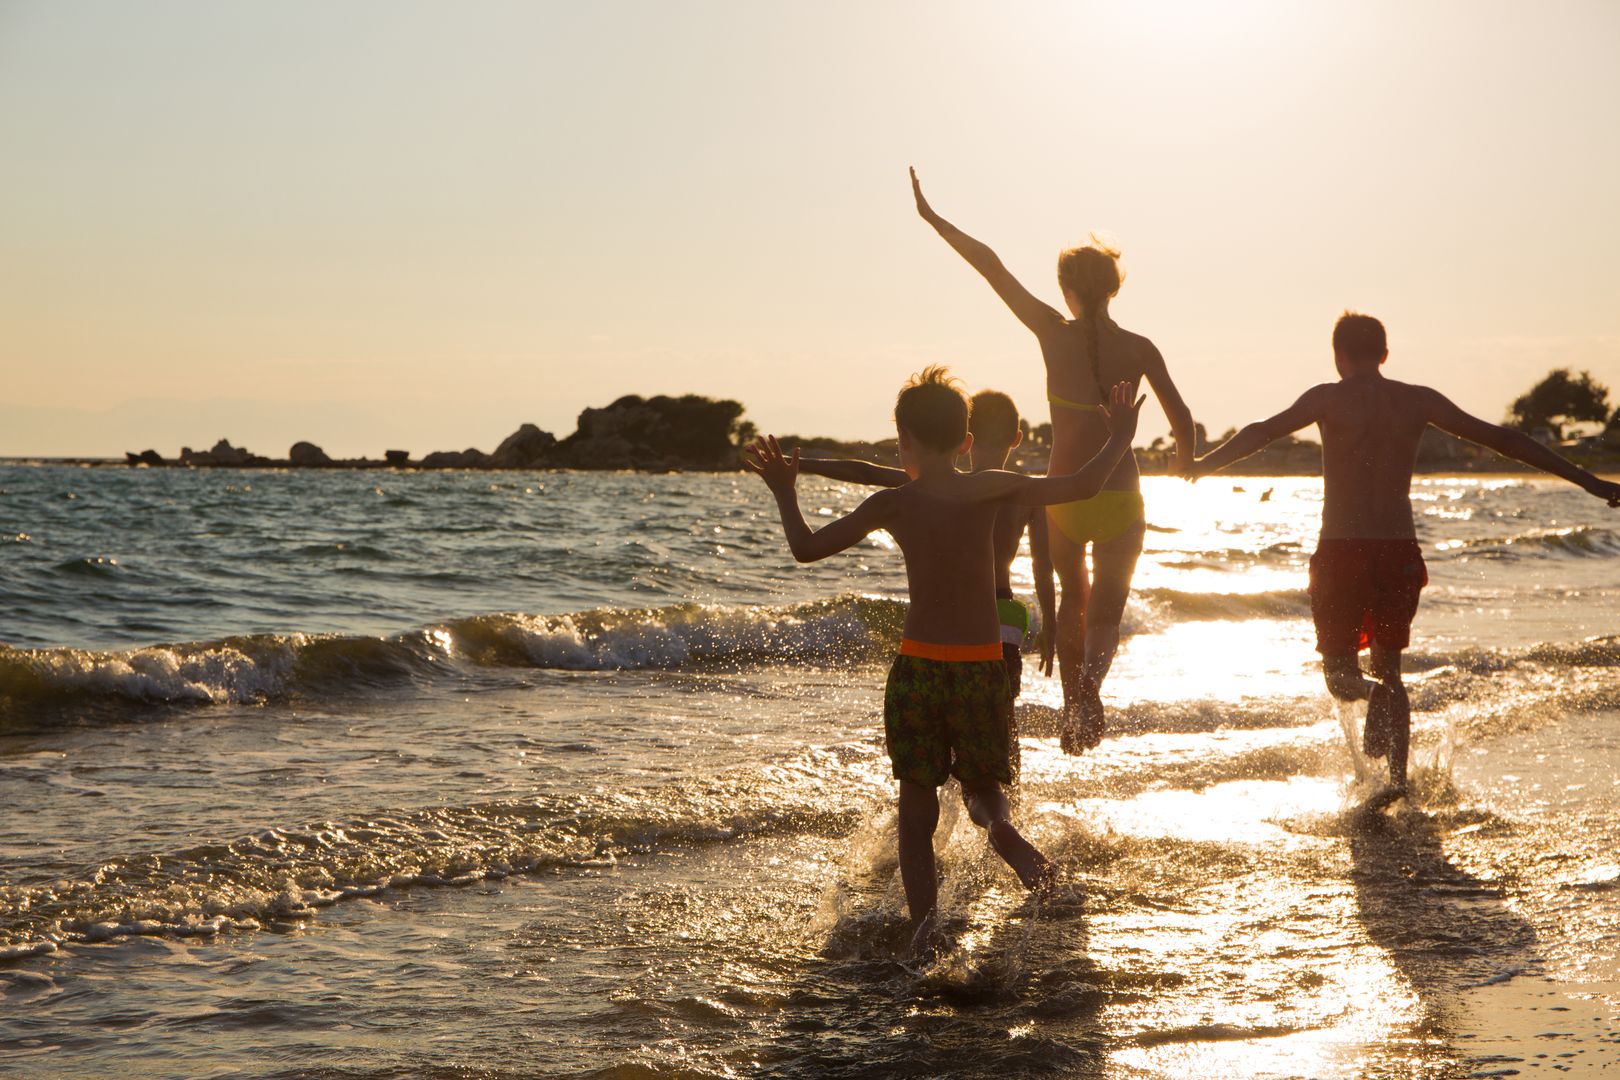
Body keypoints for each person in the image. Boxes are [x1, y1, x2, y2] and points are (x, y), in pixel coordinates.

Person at [745, 368, 1144, 955]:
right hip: (983, 664)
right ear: (965, 441)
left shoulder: (894, 502)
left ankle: (926, 930)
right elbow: (1083, 485)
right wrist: (1120, 435)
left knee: (916, 803)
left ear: (903, 441)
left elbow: (806, 549)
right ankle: (1001, 830)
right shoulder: (991, 487)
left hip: (919, 666)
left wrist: (786, 490)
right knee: (983, 787)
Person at [1186, 312, 1620, 803]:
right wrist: (1590, 481)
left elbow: (1262, 431)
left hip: (1341, 550)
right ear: (1385, 355)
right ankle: (1396, 783)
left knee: (1340, 675)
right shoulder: (1417, 400)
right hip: (1398, 550)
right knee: (1391, 669)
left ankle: (1368, 701)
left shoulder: (1326, 398)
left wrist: (1204, 465)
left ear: (1338, 355)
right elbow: (1506, 440)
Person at [910, 168, 1197, 752]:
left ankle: (1073, 707)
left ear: (1067, 288)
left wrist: (934, 219)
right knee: (1107, 610)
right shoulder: (1140, 347)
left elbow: (990, 265)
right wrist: (1184, 461)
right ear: (1115, 288)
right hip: (1121, 491)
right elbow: (1182, 419)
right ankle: (1090, 691)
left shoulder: (1049, 330)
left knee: (1072, 599)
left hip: (1065, 496)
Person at [795, 388, 1058, 711]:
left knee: (942, 706)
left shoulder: (943, 486)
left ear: (965, 436)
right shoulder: (1022, 492)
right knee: (998, 715)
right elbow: (1042, 566)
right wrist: (1050, 625)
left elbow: (865, 473)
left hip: (953, 614)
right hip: (1003, 612)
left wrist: (798, 463)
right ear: (1016, 438)